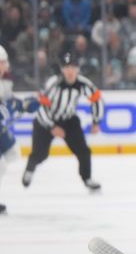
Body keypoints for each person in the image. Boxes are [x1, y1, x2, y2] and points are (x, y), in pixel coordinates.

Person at [22, 51, 103, 191]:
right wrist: (52, 126)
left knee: (83, 151)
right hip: (45, 122)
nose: (70, 71)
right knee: (40, 154)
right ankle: (30, 169)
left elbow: (96, 100)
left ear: (78, 69)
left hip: (68, 120)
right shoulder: (53, 84)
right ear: (61, 69)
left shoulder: (84, 84)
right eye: (66, 67)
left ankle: (87, 178)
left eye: (73, 67)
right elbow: (40, 108)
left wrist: (96, 121)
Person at [0, 45, 39, 214]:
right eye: (2, 62)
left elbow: (7, 100)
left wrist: (22, 104)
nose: (5, 66)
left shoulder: (5, 82)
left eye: (5, 62)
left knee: (12, 153)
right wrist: (13, 105)